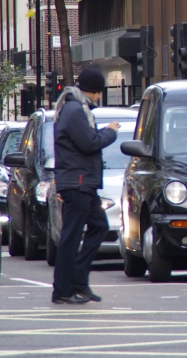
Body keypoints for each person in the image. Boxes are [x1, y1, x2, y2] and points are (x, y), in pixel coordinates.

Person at [51, 67, 119, 305]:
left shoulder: (76, 109)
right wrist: (110, 132)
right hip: (77, 183)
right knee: (71, 236)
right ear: (91, 91)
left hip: (83, 183)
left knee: (99, 226)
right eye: (98, 93)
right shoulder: (74, 111)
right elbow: (89, 143)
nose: (99, 98)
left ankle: (79, 280)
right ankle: (63, 289)